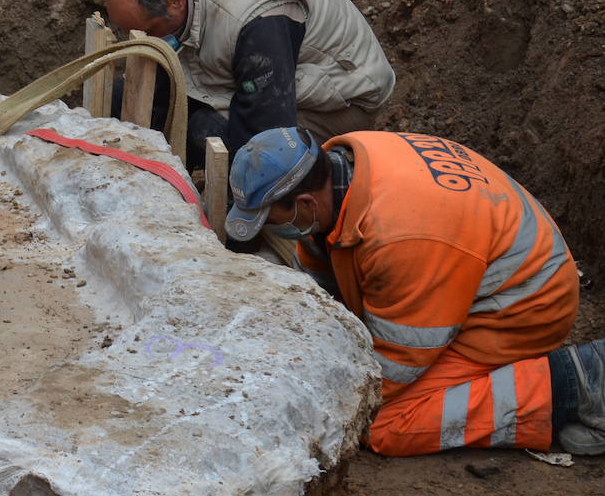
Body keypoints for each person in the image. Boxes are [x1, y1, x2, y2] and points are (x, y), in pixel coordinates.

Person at [223, 126, 602, 457]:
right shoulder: (341, 170)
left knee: (382, 423)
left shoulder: (400, 235)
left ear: (305, 203)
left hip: (526, 305)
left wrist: (323, 400)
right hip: (487, 269)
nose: (275, 230)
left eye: (273, 220)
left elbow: (396, 367)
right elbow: (320, 266)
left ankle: (577, 382)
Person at [104, 0, 395, 168]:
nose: (147, 41)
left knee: (206, 133)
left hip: (336, 99)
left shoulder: (258, 21)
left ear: (176, 2)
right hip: (258, 61)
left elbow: (267, 127)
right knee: (125, 94)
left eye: (151, 30)